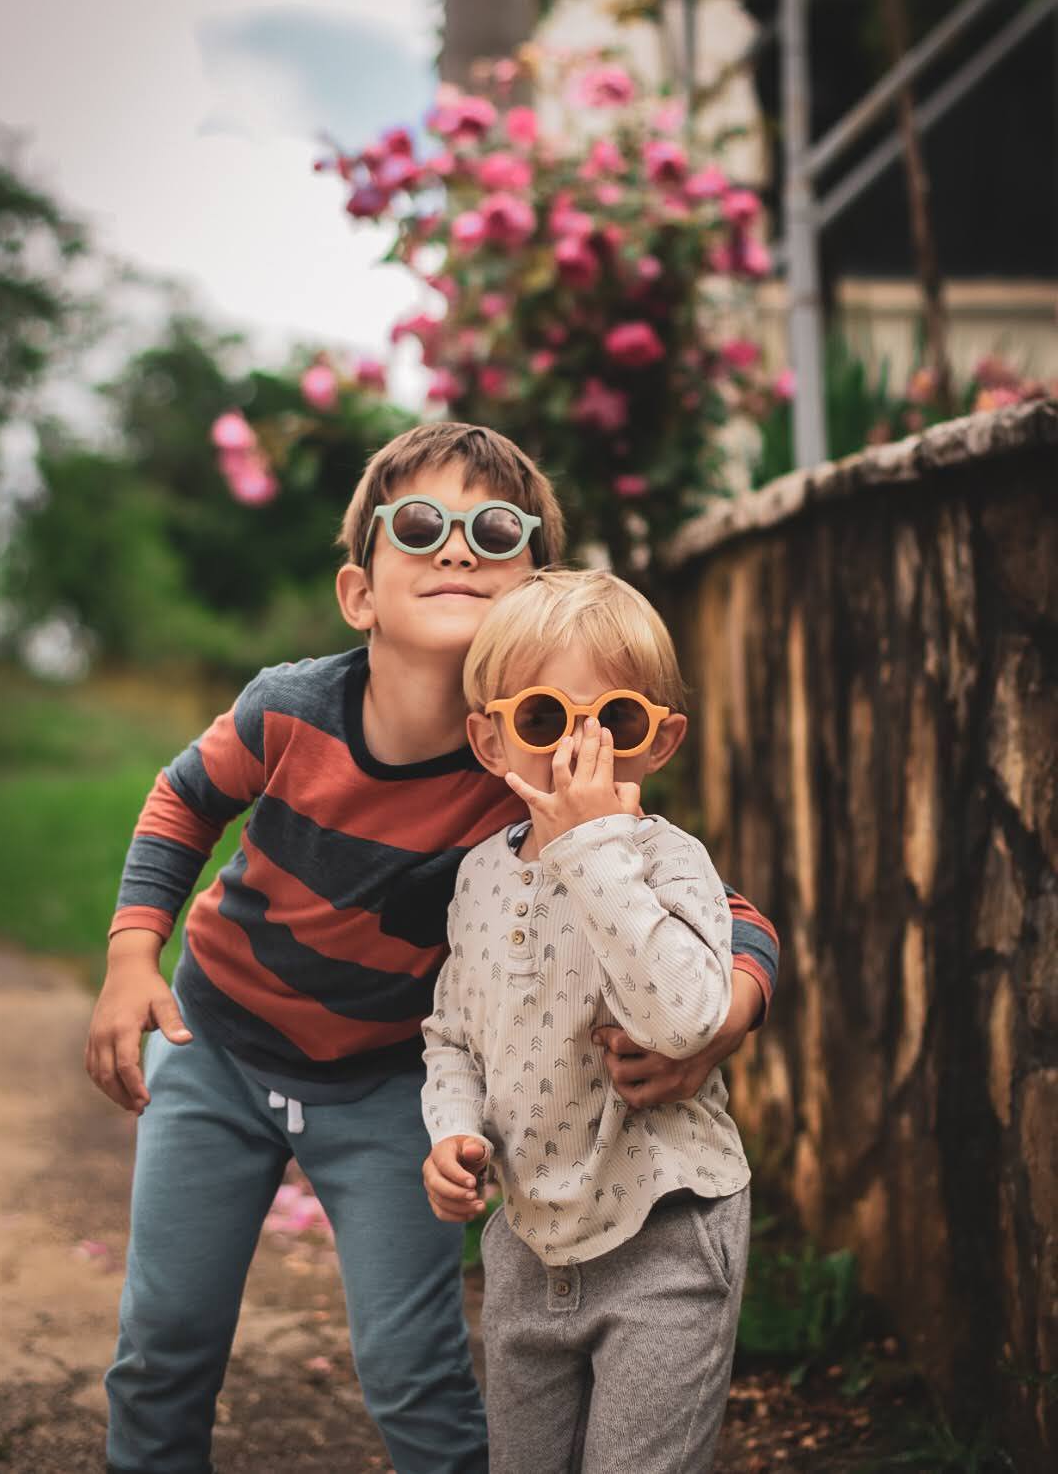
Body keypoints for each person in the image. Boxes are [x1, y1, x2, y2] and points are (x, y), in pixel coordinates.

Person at [85, 423, 777, 1474]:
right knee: (164, 1341)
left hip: (386, 1088)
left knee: (413, 1367)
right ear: (360, 591)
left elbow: (725, 911)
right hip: (221, 1048)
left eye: (494, 530)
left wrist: (720, 1022)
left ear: (532, 589)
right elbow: (183, 801)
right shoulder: (289, 710)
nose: (457, 547)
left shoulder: (532, 760)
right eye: (421, 526)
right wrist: (134, 951)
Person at [422, 568, 762, 1474]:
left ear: (660, 741)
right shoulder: (479, 878)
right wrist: (453, 1129)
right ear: (490, 740)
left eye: (614, 721)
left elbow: (687, 1019)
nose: (580, 749)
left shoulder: (665, 863)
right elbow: (453, 1033)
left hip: (665, 1233)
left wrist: (591, 846)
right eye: (543, 720)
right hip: (531, 1242)